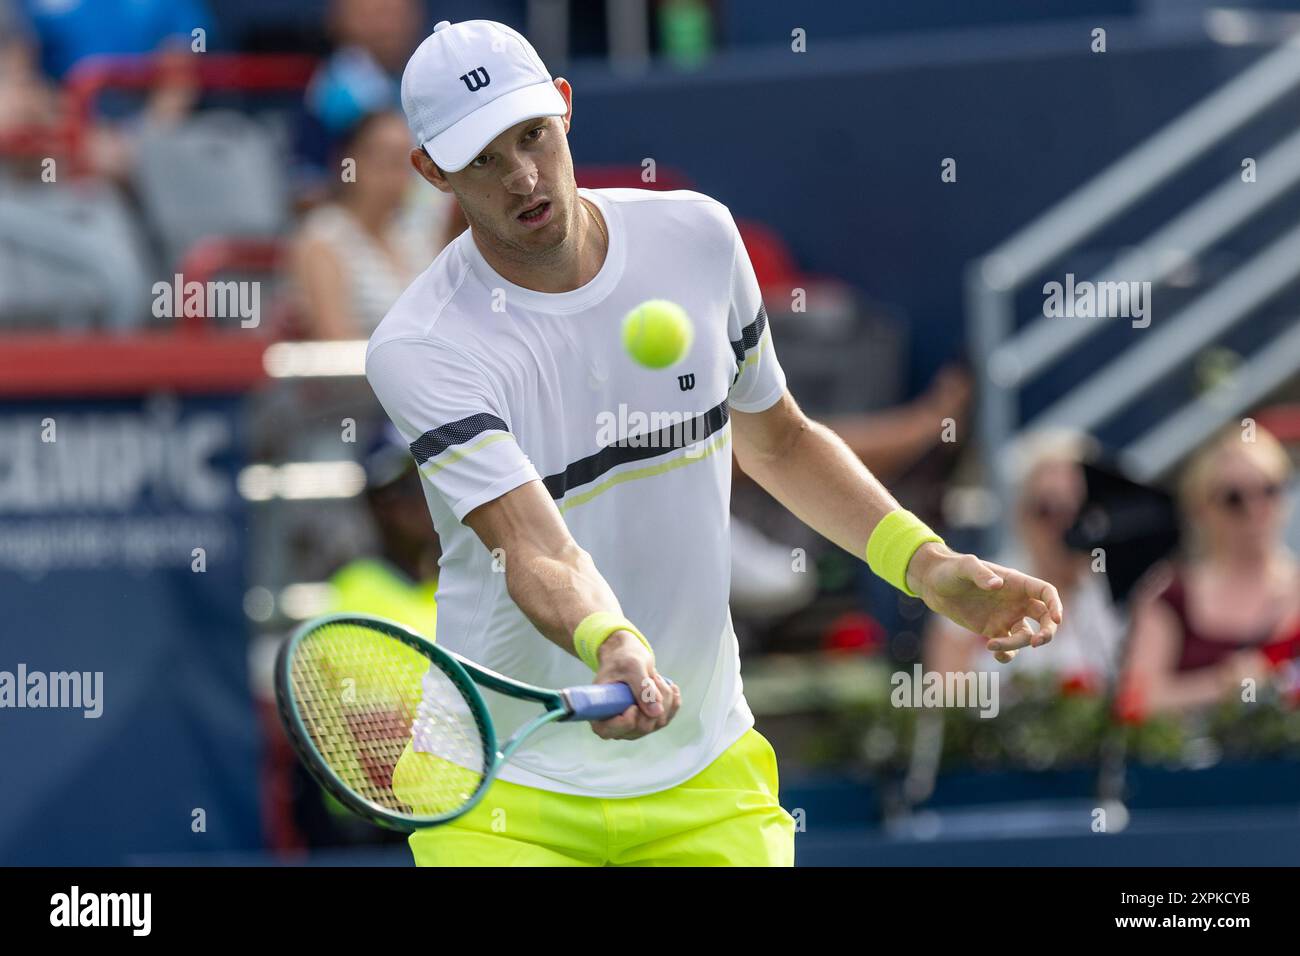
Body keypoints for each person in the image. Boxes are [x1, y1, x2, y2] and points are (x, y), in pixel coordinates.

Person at [364, 19, 1062, 867]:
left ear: (566, 108)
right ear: (431, 171)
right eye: (482, 158)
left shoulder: (697, 238)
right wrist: (608, 640)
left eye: (532, 135)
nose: (522, 176)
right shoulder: (422, 344)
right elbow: (530, 544)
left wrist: (926, 564)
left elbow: (781, 443)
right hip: (500, 788)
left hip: (704, 768)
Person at [1122, 426, 1299, 717]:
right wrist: (1222, 686)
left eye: (1269, 490)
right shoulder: (1169, 594)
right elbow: (1135, 698)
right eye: (1234, 498)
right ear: (1202, 509)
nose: (1256, 508)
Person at [926, 430, 1124, 689]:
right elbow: (944, 697)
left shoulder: (1112, 593)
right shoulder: (979, 585)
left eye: (1076, 509)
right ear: (1021, 514)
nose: (1062, 524)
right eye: (1046, 509)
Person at [290, 110, 460, 339]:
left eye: (404, 161)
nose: (394, 173)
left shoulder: (416, 236)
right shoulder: (322, 237)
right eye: (383, 158)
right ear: (348, 162)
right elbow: (334, 343)